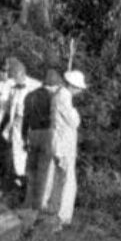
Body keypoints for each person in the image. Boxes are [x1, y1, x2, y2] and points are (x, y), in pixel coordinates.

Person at [44, 69, 86, 229]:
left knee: (56, 177)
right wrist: (76, 113)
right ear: (73, 86)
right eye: (79, 88)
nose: (80, 91)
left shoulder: (59, 95)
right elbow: (74, 121)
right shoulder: (64, 98)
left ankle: (53, 212)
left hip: (59, 141)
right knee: (63, 180)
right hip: (62, 144)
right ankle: (57, 216)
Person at [21, 69, 61, 211]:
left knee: (30, 170)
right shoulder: (52, 98)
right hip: (46, 134)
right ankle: (37, 205)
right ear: (54, 84)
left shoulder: (30, 95)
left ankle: (27, 201)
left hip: (32, 133)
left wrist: (23, 137)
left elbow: (25, 118)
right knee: (42, 172)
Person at [1, 60, 40, 192]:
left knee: (24, 155)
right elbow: (9, 106)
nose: (13, 80)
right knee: (14, 154)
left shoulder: (35, 86)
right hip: (15, 125)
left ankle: (23, 185)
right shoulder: (13, 88)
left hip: (28, 126)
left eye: (14, 77)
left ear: (21, 73)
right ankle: (13, 183)